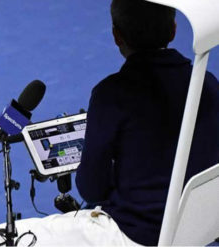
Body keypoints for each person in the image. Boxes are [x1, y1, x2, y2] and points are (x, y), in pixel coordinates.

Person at [76, 0, 219, 245]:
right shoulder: (208, 83)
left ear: (116, 36)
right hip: (204, 225)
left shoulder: (110, 94)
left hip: (141, 233)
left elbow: (91, 189)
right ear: (174, 30)